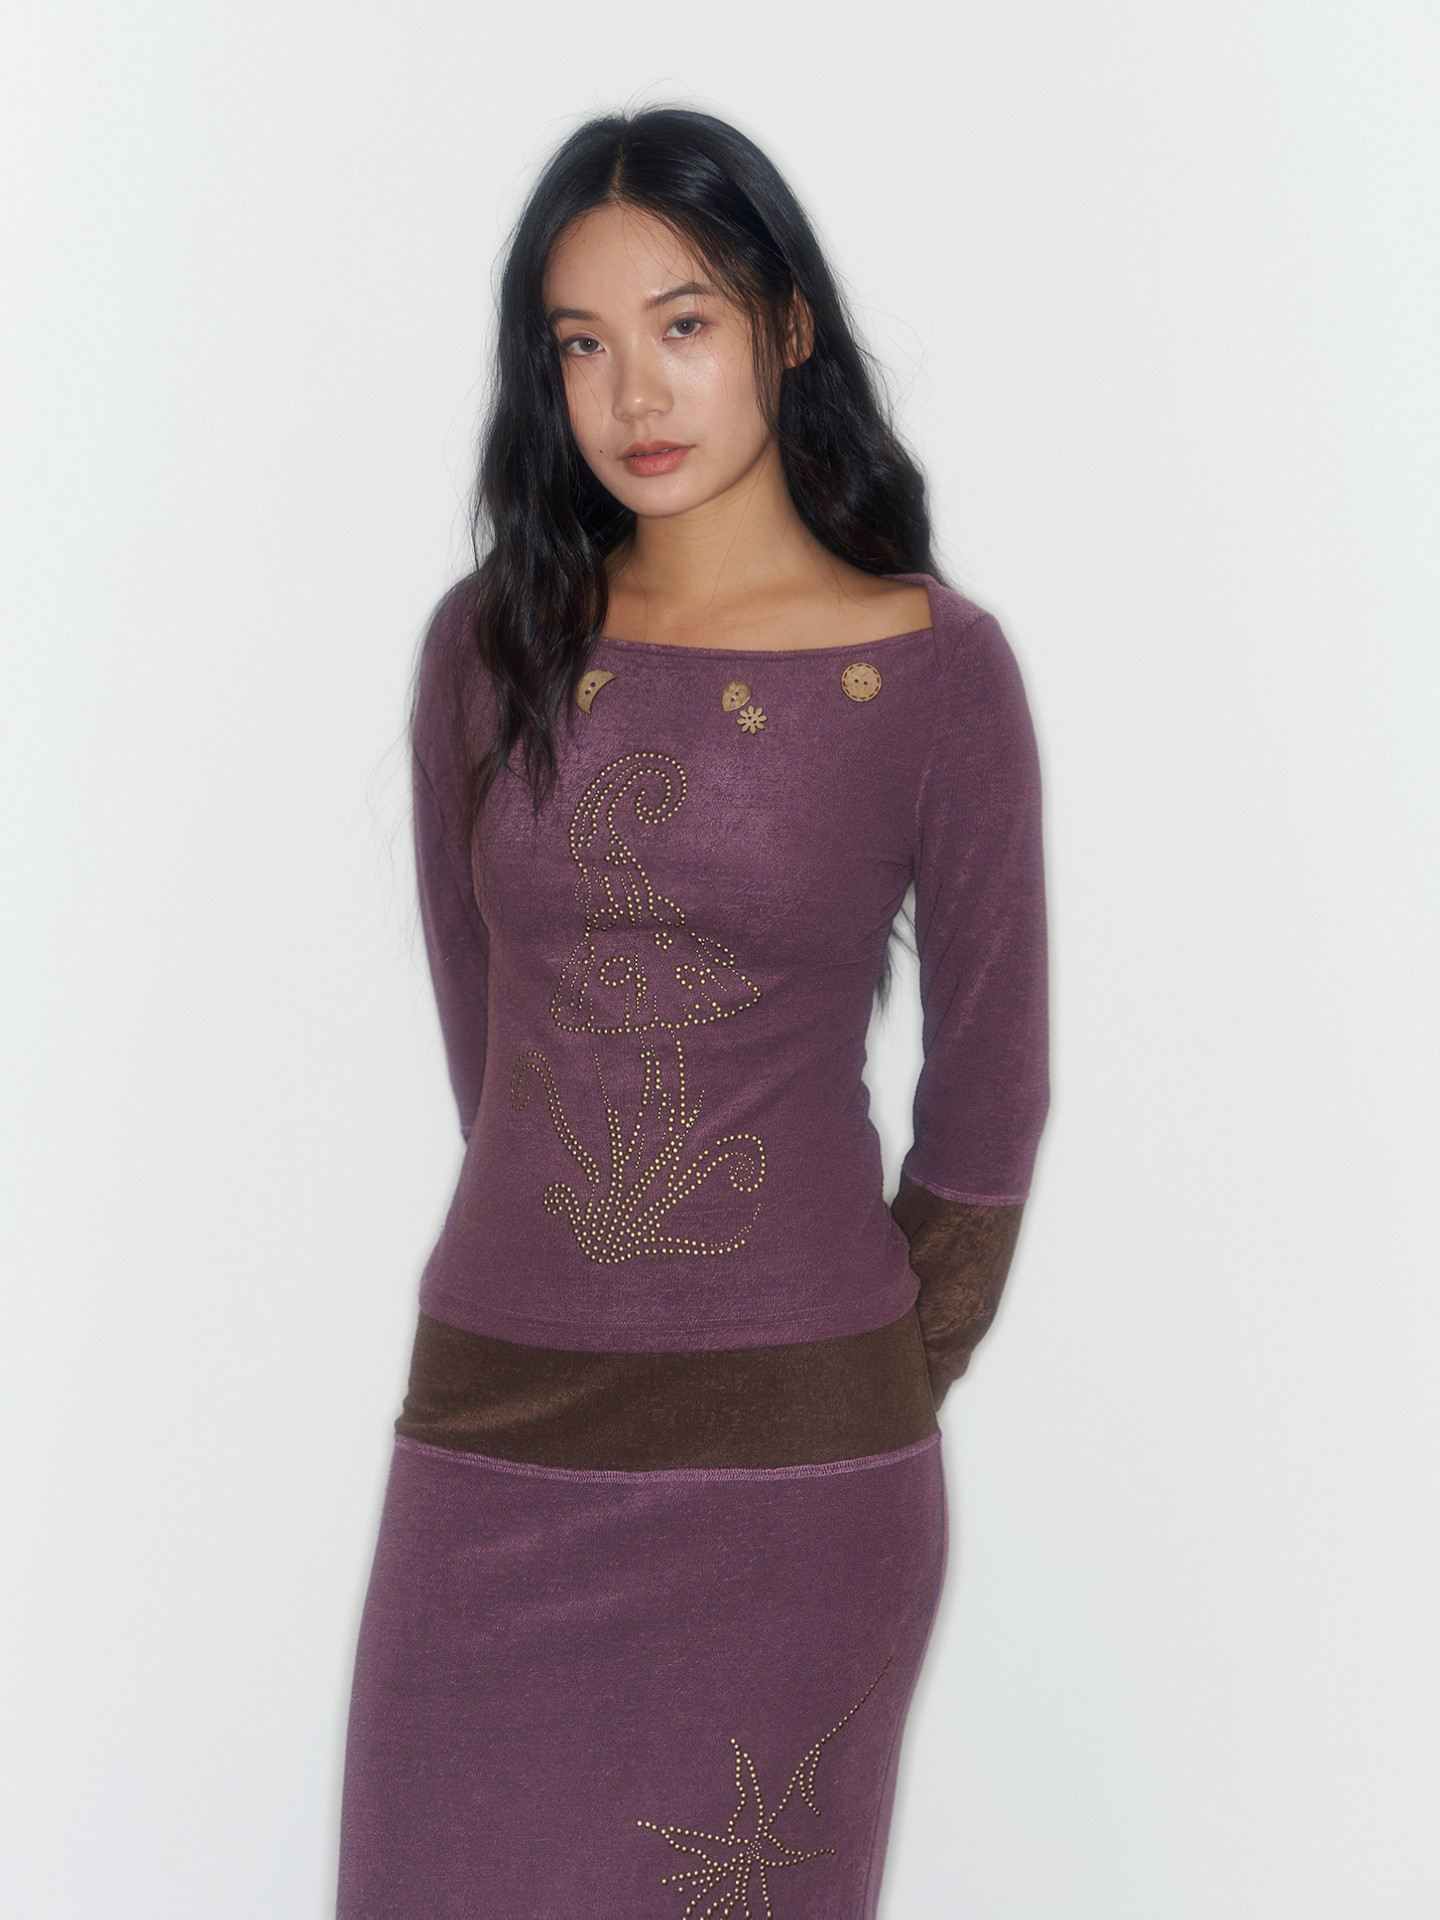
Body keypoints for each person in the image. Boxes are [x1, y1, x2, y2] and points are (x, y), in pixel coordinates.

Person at [336, 106, 1048, 1919]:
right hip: (496, 1431)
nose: (634, 393)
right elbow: (496, 1058)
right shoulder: (488, 648)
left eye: (683, 323)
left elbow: (990, 1108)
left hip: (799, 1489)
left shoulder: (934, 671)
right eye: (581, 344)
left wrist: (857, 1373)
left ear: (787, 327)